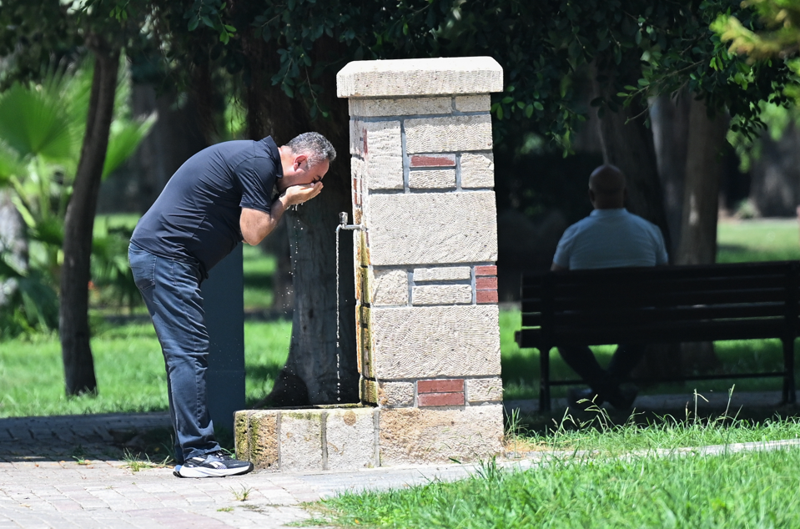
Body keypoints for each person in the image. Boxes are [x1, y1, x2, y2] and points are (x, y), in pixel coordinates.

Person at [128, 132, 335, 477]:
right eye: (316, 179)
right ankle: (198, 454)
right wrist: (286, 200)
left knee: (185, 354)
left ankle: (191, 451)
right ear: (298, 162)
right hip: (165, 259)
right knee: (189, 352)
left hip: (167, 259)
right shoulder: (258, 164)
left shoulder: (258, 161)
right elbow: (253, 232)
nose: (315, 188)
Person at [551, 164, 668, 409]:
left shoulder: (574, 233)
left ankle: (601, 390)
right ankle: (613, 392)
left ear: (591, 196)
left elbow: (554, 283)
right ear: (625, 194)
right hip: (637, 322)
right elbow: (663, 280)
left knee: (563, 334)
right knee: (641, 327)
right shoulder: (649, 232)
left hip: (585, 322)